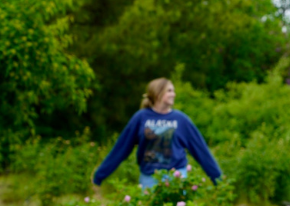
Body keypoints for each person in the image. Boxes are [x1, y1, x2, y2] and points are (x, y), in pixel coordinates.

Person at [91, 78, 222, 193]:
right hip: (149, 178)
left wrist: (219, 181)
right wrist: (100, 175)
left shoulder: (181, 120)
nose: (173, 94)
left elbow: (201, 151)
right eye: (169, 91)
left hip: (177, 177)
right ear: (158, 93)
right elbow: (120, 149)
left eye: (173, 91)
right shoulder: (141, 117)